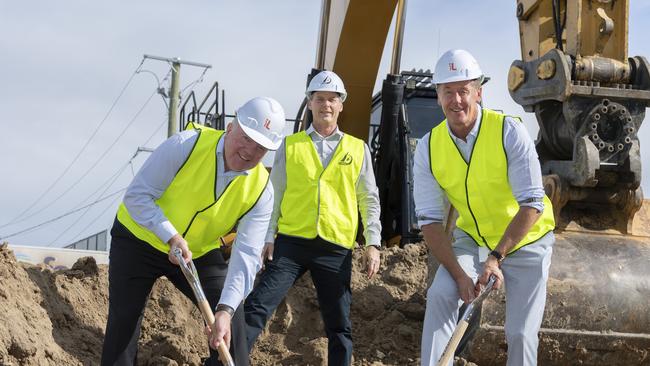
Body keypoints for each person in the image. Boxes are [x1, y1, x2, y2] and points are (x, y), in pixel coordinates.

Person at [100, 96, 286, 366]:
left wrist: (225, 309)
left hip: (197, 253)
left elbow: (245, 255)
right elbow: (137, 196)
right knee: (124, 322)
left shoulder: (262, 190)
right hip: (139, 239)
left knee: (231, 328)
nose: (249, 151)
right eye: (246, 138)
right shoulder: (186, 144)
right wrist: (171, 236)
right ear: (232, 127)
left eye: (260, 148)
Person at [414, 49, 556, 366]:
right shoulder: (428, 147)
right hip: (474, 239)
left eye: (463, 90)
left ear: (478, 92)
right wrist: (460, 276)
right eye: (447, 92)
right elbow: (430, 221)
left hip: (528, 240)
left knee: (520, 334)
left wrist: (496, 257)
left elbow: (532, 203)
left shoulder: (508, 131)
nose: (456, 100)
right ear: (437, 96)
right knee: (441, 295)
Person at [244, 70, 382, 366]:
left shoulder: (358, 149)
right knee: (257, 306)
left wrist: (373, 243)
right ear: (309, 103)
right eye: (320, 99)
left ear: (341, 105)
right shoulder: (290, 146)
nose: (326, 105)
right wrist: (268, 236)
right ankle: (224, 361)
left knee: (339, 325)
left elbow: (369, 198)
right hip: (292, 244)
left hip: (335, 248)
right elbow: (274, 194)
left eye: (333, 99)